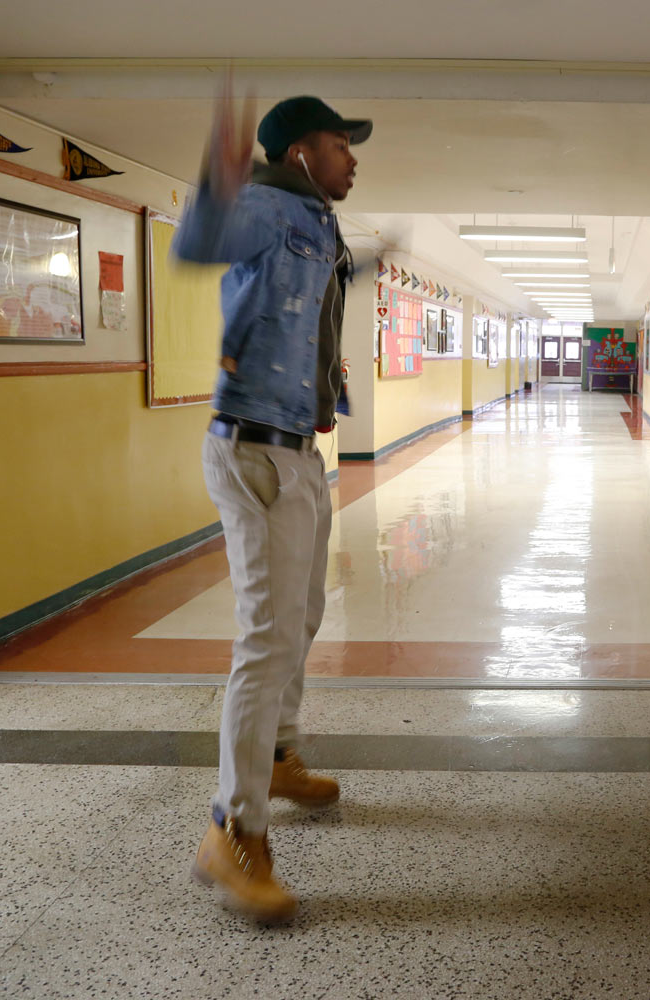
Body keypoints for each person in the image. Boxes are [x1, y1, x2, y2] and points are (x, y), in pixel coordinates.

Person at [172, 87, 371, 921]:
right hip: (254, 449)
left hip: (297, 449)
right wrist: (218, 181)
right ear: (300, 154)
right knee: (265, 636)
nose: (352, 157)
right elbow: (200, 240)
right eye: (339, 144)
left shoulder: (320, 224)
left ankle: (279, 755)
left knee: (306, 614)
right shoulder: (263, 205)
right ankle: (233, 828)